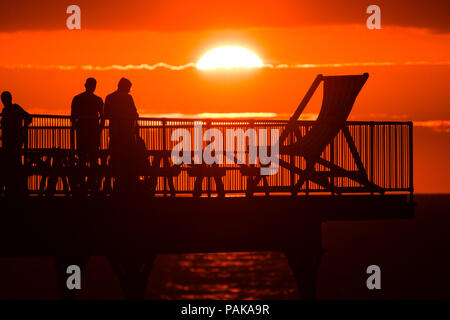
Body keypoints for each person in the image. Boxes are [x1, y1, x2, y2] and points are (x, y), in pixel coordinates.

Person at [104, 78, 139, 192]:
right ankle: (127, 185)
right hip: (127, 134)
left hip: (114, 134)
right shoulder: (128, 98)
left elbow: (106, 114)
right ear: (125, 87)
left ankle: (109, 185)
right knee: (129, 159)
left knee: (114, 159)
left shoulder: (110, 97)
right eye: (129, 87)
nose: (129, 90)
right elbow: (134, 114)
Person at [71, 78, 104, 192]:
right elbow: (103, 118)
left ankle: (83, 184)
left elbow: (73, 117)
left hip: (83, 134)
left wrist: (76, 127)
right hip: (92, 134)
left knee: (83, 159)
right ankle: (91, 184)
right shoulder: (98, 100)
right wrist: (99, 129)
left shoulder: (77, 99)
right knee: (92, 160)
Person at [0, 91, 32, 196]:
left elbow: (28, 117)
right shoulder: (6, 110)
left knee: (13, 164)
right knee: (11, 164)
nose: (4, 102)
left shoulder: (14, 109)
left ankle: (15, 189)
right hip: (9, 141)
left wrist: (23, 130)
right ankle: (14, 189)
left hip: (13, 141)